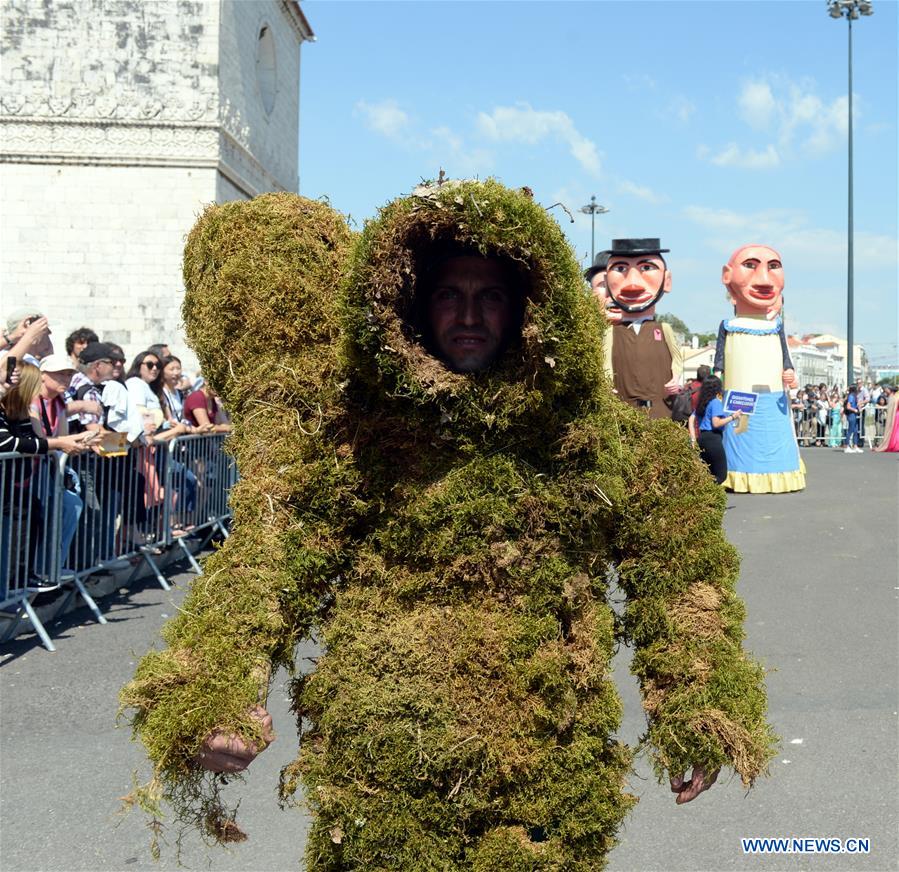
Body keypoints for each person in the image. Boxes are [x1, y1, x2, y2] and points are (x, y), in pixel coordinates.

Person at [123, 185, 773, 867]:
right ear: (408, 305)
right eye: (447, 295)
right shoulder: (355, 447)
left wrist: (696, 701)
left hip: (545, 776)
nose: (468, 315)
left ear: (529, 309)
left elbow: (680, 582)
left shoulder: (600, 446)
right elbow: (268, 567)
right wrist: (216, 691)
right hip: (378, 780)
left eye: (489, 296)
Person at [714, 244, 804, 493]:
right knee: (741, 434)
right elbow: (719, 359)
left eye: (773, 266)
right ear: (727, 275)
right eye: (750, 265)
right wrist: (715, 380)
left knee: (773, 434)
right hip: (739, 394)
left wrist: (790, 373)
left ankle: (779, 474)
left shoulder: (776, 326)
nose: (763, 278)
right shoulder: (728, 325)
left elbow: (786, 356)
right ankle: (739, 475)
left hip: (774, 397)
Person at [601, 238, 682, 418]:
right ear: (607, 283)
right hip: (623, 412)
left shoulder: (664, 329)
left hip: (660, 411)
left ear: (667, 281)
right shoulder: (611, 333)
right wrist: (606, 384)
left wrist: (676, 378)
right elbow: (606, 362)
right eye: (620, 269)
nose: (632, 283)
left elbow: (677, 357)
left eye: (646, 268)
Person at [694, 376, 742, 484]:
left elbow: (692, 418)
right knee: (721, 475)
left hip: (702, 438)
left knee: (708, 472)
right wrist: (733, 417)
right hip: (713, 438)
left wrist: (693, 438)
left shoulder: (702, 403)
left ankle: (704, 495)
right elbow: (716, 423)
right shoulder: (715, 402)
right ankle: (708, 492)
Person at [843, 384, 862, 453]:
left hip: (854, 414)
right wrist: (854, 410)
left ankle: (855, 446)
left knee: (856, 431)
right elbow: (848, 406)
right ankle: (846, 446)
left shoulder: (854, 396)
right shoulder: (851, 396)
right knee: (850, 431)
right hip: (851, 414)